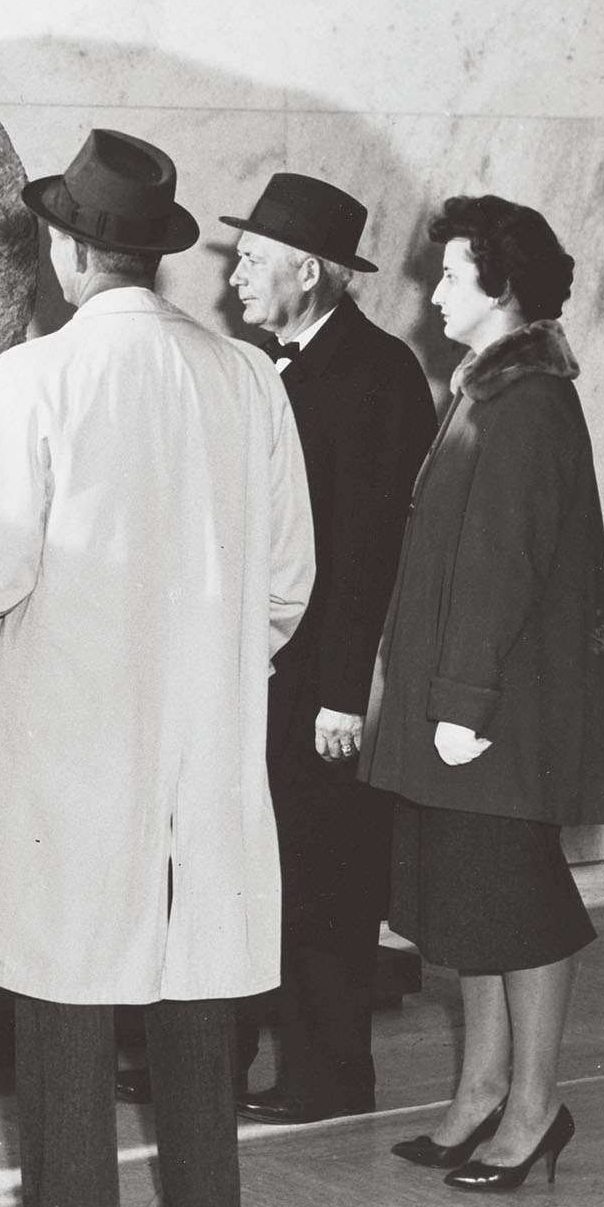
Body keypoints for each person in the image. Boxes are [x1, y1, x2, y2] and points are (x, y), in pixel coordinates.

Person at [0, 129, 314, 1207]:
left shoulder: (31, 379)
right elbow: (287, 581)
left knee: (59, 981)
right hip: (206, 724)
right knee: (198, 969)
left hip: (67, 724)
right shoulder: (245, 377)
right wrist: (211, 655)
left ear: (74, 251)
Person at [362, 195, 604, 1190]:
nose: (432, 292)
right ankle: (478, 1091)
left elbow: (501, 567)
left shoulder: (522, 402)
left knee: (515, 907)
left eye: (449, 275)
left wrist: (461, 702)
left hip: (495, 716)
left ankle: (532, 1105)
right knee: (461, 907)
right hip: (462, 701)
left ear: (500, 286)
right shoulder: (485, 389)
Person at [218, 174, 437, 1125]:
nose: (235, 278)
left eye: (254, 261)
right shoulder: (279, 363)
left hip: (324, 681)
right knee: (286, 869)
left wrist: (343, 692)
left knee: (326, 877)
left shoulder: (377, 374)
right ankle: (277, 1059)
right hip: (272, 668)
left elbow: (369, 548)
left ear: (309, 272)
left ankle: (331, 1073)